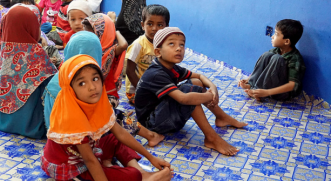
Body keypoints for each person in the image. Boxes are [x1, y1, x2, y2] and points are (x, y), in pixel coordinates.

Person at [41, 54, 173, 181]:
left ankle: (142, 172)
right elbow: (90, 160)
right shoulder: (71, 116)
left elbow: (120, 132)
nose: (92, 87)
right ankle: (140, 177)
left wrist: (151, 158)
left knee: (114, 138)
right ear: (71, 89)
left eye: (95, 79)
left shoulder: (97, 102)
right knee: (131, 175)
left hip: (88, 151)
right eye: (82, 83)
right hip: (71, 166)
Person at [135, 27, 249, 156]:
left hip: (162, 113)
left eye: (182, 44)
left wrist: (213, 87)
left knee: (195, 82)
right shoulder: (156, 74)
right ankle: (211, 138)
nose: (178, 48)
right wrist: (209, 96)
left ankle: (221, 117)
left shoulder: (170, 67)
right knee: (188, 94)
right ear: (158, 52)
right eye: (171, 44)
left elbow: (199, 76)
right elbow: (184, 99)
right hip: (153, 123)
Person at [44, 31, 165, 147]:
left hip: (55, 135)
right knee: (115, 118)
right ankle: (150, 135)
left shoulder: (60, 78)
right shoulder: (82, 82)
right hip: (81, 140)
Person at [0, 6, 57, 139]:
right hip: (31, 127)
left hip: (1, 123)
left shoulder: (4, 49)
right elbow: (53, 83)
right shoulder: (36, 53)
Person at [238, 19, 305, 101]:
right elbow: (262, 68)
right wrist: (248, 79)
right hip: (268, 88)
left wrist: (267, 92)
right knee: (267, 55)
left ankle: (257, 92)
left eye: (276, 34)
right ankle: (253, 87)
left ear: (286, 41)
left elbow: (292, 85)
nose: (272, 36)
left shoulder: (295, 58)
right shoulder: (275, 51)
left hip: (282, 93)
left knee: (277, 58)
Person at [125, 4, 169, 104]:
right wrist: (142, 90)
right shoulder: (138, 45)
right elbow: (129, 71)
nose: (154, 28)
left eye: (160, 25)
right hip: (136, 89)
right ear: (142, 25)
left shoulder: (164, 44)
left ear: (166, 27)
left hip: (153, 86)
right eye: (150, 24)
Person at [82, 13, 128, 108]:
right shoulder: (86, 50)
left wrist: (115, 30)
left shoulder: (111, 51)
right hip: (89, 92)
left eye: (93, 35)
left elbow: (123, 45)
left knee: (107, 106)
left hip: (108, 94)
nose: (89, 38)